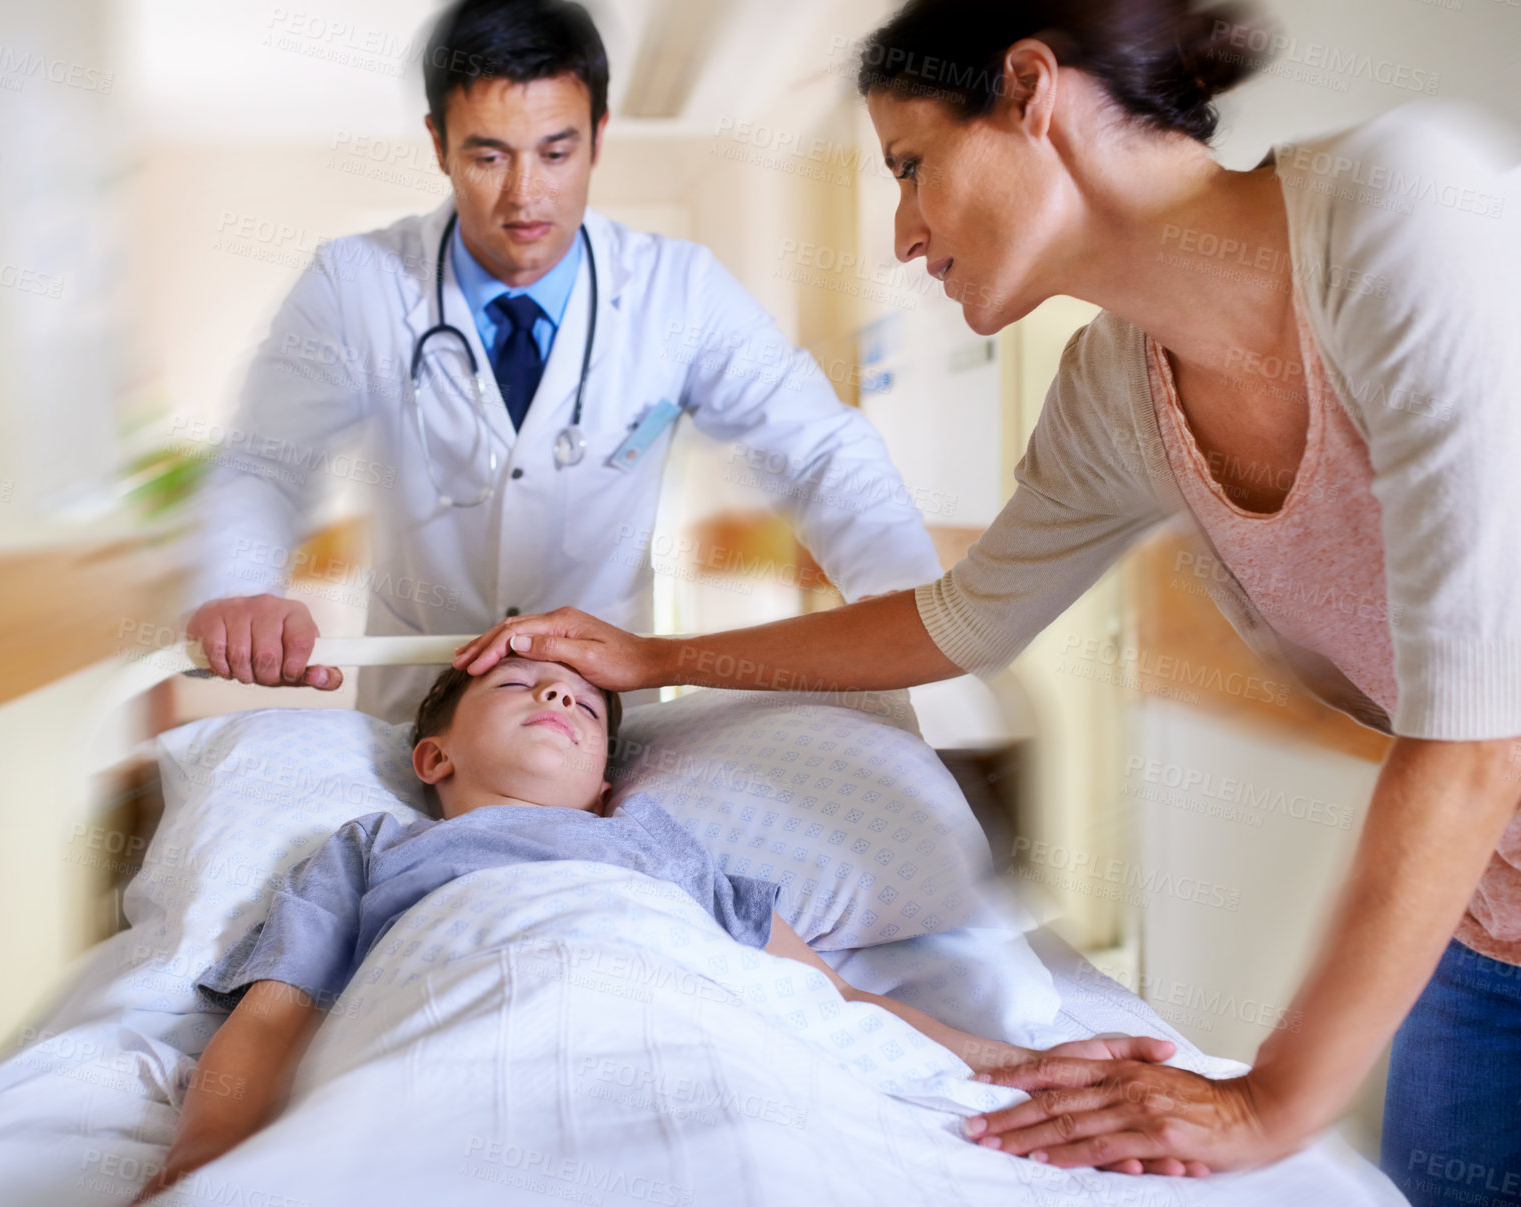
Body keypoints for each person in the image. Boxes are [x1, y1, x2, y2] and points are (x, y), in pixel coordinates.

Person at [448, 0, 1521, 1193]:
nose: (903, 233)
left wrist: (1268, 1100)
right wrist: (650, 661)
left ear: (1029, 90)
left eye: (912, 167)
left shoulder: (1404, 210)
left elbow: (1475, 736)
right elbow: (955, 620)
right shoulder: (1116, 389)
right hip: (1494, 928)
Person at [128, 655, 1177, 1202]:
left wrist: (1019, 1066)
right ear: (435, 759)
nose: (553, 690)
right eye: (515, 686)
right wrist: (208, 1150)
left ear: (603, 784)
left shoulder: (655, 845)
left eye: (582, 701)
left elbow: (828, 999)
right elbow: (273, 1017)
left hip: (675, 997)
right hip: (468, 980)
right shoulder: (370, 848)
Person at [179, 0, 942, 724]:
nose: (525, 196)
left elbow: (818, 453)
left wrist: (917, 620)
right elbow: (264, 463)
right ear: (438, 143)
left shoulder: (680, 292)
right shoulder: (355, 284)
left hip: (597, 725)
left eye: (556, 151)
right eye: (487, 155)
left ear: (598, 136)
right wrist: (241, 590)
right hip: (417, 715)